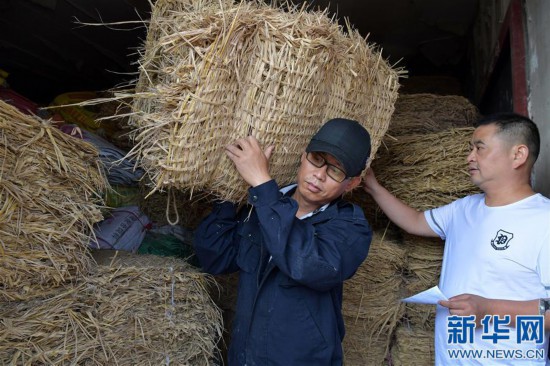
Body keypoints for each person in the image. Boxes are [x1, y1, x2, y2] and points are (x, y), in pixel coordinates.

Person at [363, 112, 550, 365]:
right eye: (470, 148)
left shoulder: (543, 220)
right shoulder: (463, 209)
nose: (469, 157)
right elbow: (415, 222)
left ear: (518, 155)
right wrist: (373, 186)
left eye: (480, 148)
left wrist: (489, 310)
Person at [194, 118, 373, 365]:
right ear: (303, 156)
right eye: (317, 159)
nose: (319, 175)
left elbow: (308, 265)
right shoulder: (262, 206)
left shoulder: (351, 227)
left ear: (352, 183)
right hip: (245, 357)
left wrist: (262, 184)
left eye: (335, 170)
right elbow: (216, 257)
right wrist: (229, 193)